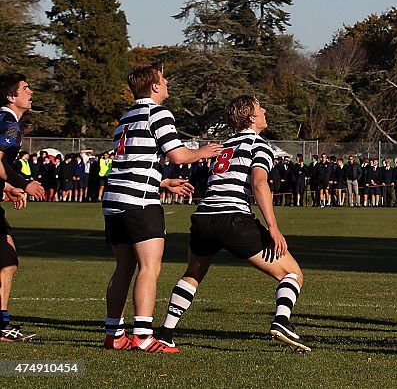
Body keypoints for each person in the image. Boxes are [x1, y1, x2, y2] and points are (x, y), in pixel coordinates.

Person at [155, 96, 309, 353]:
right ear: (251, 117)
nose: (265, 111)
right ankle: (282, 321)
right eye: (261, 108)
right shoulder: (259, 145)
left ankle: (166, 333)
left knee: (193, 273)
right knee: (292, 274)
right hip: (233, 219)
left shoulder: (224, 147)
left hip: (204, 217)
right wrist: (273, 227)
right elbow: (259, 183)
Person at [102, 63, 222, 352]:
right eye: (164, 79)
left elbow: (131, 163)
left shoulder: (126, 116)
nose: (167, 82)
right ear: (154, 86)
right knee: (149, 267)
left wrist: (162, 181)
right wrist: (203, 152)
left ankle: (114, 334)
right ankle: (143, 335)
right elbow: (178, 155)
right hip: (139, 203)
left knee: (123, 267)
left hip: (115, 200)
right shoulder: (158, 113)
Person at [0, 73, 46, 341]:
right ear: (10, 96)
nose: (31, 92)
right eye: (25, 88)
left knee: (7, 259)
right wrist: (23, 182)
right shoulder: (10, 125)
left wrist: (7, 188)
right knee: (6, 259)